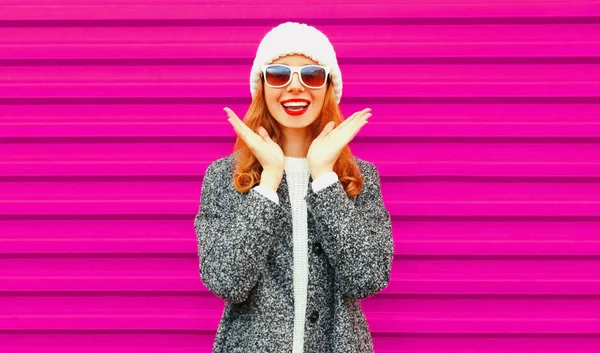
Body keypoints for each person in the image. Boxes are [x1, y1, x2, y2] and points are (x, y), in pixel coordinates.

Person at [194, 21, 394, 353]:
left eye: (311, 75)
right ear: (262, 86)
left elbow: (368, 278)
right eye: (279, 75)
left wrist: (325, 177)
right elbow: (226, 282)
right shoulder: (223, 178)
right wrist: (270, 179)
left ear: (328, 86)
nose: (295, 87)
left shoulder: (358, 178)